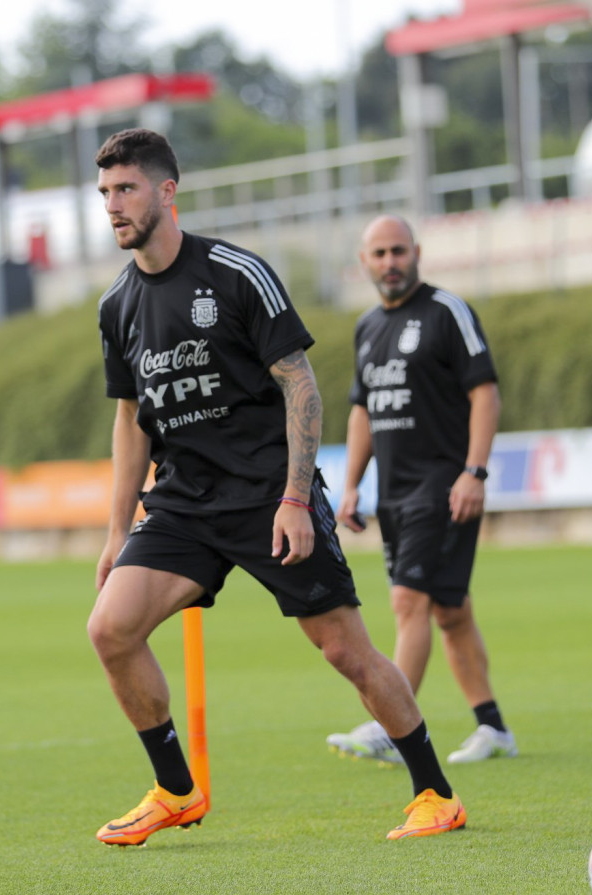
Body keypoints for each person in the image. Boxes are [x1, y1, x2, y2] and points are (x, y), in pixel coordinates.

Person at [87, 129, 465, 845]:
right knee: (109, 627)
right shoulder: (117, 306)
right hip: (182, 504)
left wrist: (296, 498)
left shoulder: (234, 273)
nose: (113, 205)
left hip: (268, 495)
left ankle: (435, 792)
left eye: (126, 188)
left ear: (167, 190)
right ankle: (175, 788)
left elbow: (300, 384)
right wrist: (116, 530)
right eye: (104, 192)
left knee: (345, 650)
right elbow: (130, 418)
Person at [328, 214, 517, 767]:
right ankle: (494, 729)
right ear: (364, 262)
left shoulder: (447, 312)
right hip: (394, 492)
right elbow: (363, 409)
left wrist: (473, 472)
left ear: (417, 252)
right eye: (379, 254)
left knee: (409, 601)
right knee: (450, 610)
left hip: (442, 485)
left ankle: (392, 726)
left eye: (399, 251)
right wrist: (351, 487)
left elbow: (485, 393)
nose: (390, 262)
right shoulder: (367, 327)